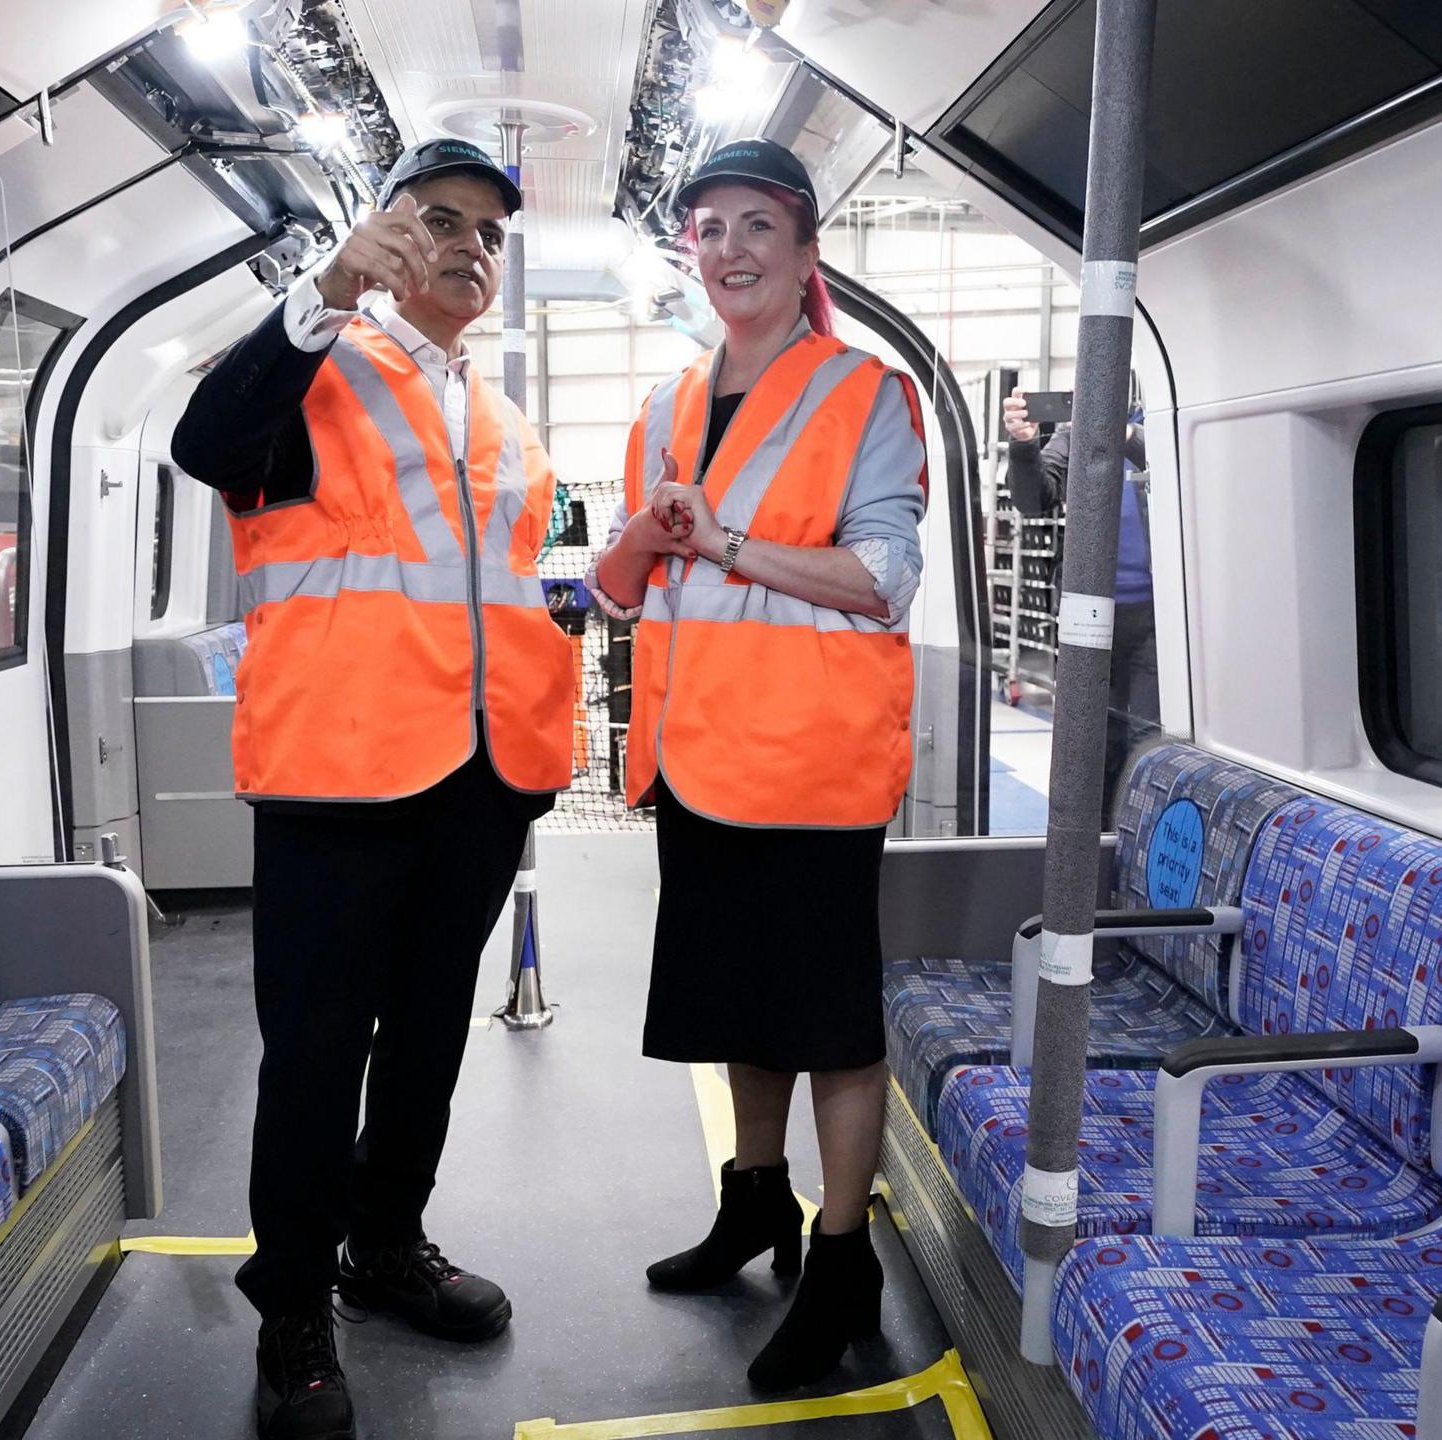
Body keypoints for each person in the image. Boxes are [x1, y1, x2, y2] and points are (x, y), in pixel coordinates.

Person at [170, 137, 576, 1440]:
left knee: (428, 1035)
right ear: (386, 236)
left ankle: (384, 1244)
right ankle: (292, 1305)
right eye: (442, 221)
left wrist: (532, 758)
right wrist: (325, 291)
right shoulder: (319, 367)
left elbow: (506, 599)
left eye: (490, 234)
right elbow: (204, 438)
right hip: (338, 774)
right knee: (315, 1053)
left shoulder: (504, 422)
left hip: (476, 776)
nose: (469, 246)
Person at [588, 138, 926, 1392]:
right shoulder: (663, 408)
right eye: (707, 228)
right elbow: (621, 595)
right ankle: (753, 1202)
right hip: (696, 761)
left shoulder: (863, 395)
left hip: (814, 765)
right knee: (741, 1007)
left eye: (753, 229)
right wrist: (640, 538)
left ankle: (843, 1265)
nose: (725, 251)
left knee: (829, 1025)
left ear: (802, 254)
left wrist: (725, 541)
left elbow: (883, 578)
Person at [1002, 389, 1157, 818]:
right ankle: (1093, 849)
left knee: (1148, 739)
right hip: (1090, 615)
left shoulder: (1160, 426)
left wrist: (1125, 434)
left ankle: (1136, 839)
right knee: (1090, 741)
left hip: (1158, 619)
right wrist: (1023, 445)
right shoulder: (1075, 435)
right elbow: (1033, 499)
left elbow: (1174, 464)